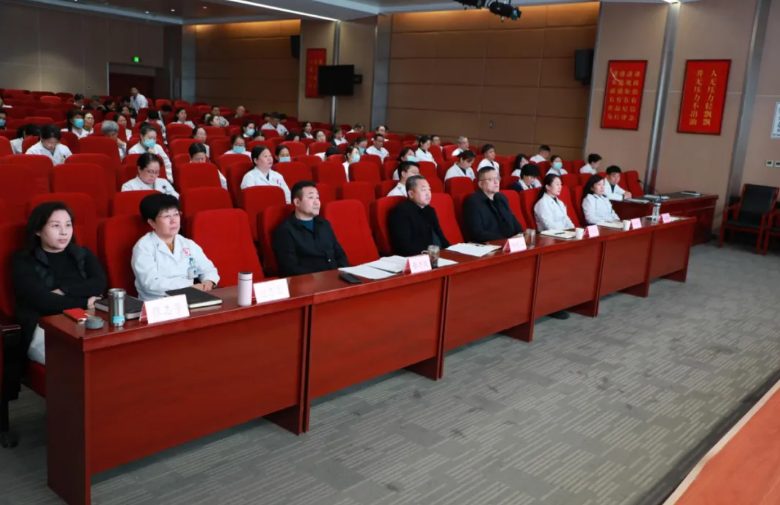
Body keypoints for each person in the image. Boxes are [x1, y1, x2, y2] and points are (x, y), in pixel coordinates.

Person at [12, 201, 106, 364]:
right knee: (80, 364)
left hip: (88, 319)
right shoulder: (23, 261)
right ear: (38, 230)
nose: (64, 232)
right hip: (45, 326)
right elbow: (42, 300)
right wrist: (85, 302)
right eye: (56, 226)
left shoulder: (83, 254)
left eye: (68, 225)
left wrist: (63, 290)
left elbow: (99, 283)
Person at [132, 193, 219, 301]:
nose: (173, 220)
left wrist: (209, 281)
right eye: (166, 216)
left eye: (176, 214)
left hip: (191, 297)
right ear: (152, 222)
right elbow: (150, 283)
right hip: (158, 302)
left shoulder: (188, 244)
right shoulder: (143, 247)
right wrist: (189, 287)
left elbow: (208, 269)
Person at [272, 181, 349, 277]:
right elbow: (290, 268)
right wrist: (318, 279)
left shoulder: (324, 224)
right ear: (297, 202)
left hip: (337, 277)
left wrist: (343, 273)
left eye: (317, 197)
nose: (316, 202)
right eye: (311, 197)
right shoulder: (285, 231)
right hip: (309, 281)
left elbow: (339, 253)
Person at [388, 175, 450, 257]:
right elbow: (403, 246)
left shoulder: (429, 210)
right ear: (411, 194)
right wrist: (430, 254)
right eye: (423, 190)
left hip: (435, 255)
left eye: (429, 189)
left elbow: (441, 236)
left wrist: (451, 251)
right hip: (418, 258)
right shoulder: (401, 211)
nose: (428, 194)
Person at [463, 167, 523, 242]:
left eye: (497, 178)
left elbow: (512, 219)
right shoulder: (473, 202)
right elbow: (477, 233)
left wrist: (520, 233)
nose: (496, 182)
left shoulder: (502, 198)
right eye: (491, 179)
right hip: (491, 244)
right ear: (481, 184)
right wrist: (505, 240)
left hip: (511, 242)